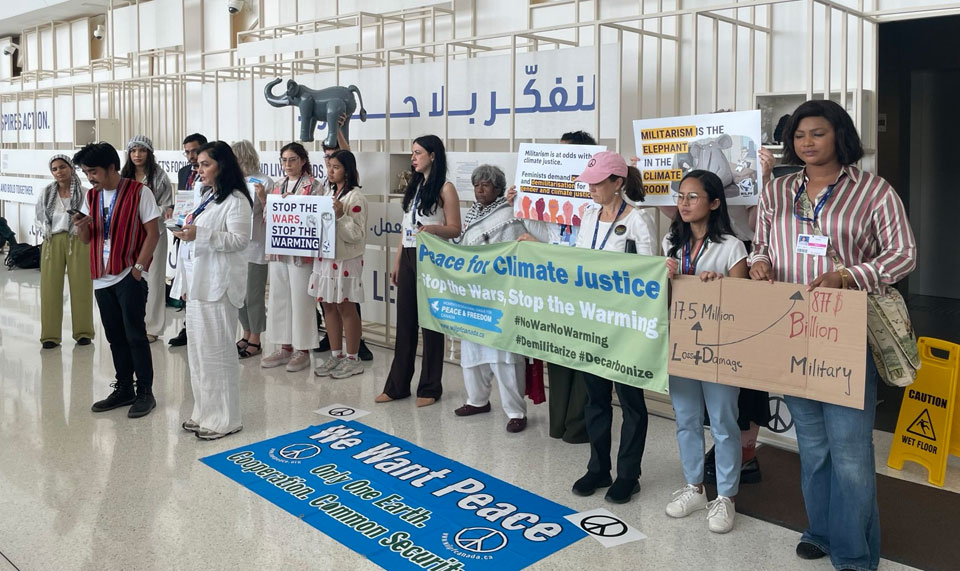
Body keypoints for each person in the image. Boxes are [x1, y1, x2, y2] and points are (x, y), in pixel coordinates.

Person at [750, 99, 916, 570]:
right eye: (800, 136)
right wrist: (760, 261)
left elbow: (903, 254)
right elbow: (760, 242)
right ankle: (820, 529)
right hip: (792, 327)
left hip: (845, 330)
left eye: (817, 133)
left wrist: (849, 275)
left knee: (848, 449)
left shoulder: (874, 192)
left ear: (839, 136)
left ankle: (854, 552)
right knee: (813, 445)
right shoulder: (778, 191)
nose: (807, 143)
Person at [520, 151, 657, 502]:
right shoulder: (589, 214)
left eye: (598, 183)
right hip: (591, 319)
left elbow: (648, 275)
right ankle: (598, 467)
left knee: (630, 401)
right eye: (589, 183)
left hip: (626, 324)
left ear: (618, 182)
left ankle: (629, 474)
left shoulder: (639, 220)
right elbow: (578, 260)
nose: (591, 189)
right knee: (595, 399)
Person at [663, 170, 748, 534]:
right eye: (681, 196)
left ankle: (726, 496)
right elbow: (657, 298)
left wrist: (723, 286)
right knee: (685, 418)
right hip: (681, 344)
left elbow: (746, 303)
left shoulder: (732, 246)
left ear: (714, 203)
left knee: (724, 423)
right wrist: (659, 277)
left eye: (693, 197)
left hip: (720, 349)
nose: (684, 203)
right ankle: (694, 486)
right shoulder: (671, 242)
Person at [72, 142, 161, 418]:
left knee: (135, 334)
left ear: (112, 167)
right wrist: (81, 228)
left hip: (127, 273)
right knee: (114, 336)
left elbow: (153, 233)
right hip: (101, 276)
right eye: (86, 172)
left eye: (94, 171)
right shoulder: (91, 197)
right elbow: (88, 239)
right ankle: (124, 388)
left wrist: (138, 269)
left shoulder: (139, 192)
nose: (90, 177)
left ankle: (145, 391)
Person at [172, 141, 252, 440]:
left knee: (218, 354)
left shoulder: (236, 200)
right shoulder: (206, 196)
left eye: (205, 164)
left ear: (222, 165)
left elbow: (239, 240)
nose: (199, 168)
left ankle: (225, 418)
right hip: (197, 285)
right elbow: (192, 241)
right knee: (198, 354)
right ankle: (203, 411)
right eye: (198, 164)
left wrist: (200, 234)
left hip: (219, 287)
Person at [377, 135, 462, 407]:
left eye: (418, 153)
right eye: (412, 153)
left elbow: (455, 228)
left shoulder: (446, 188)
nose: (413, 158)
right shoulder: (414, 187)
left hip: (433, 256)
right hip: (410, 255)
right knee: (405, 322)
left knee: (431, 324)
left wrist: (433, 229)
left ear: (433, 155)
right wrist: (398, 261)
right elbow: (406, 228)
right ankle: (397, 385)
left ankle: (430, 387)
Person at [453, 165, 529, 432]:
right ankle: (477, 400)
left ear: (498, 188)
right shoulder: (473, 214)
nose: (480, 190)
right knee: (472, 351)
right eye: (476, 185)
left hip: (497, 297)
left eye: (485, 185)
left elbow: (509, 254)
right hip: (472, 296)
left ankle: (516, 412)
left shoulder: (508, 215)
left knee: (503, 357)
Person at [259, 142, 321, 372]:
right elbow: (268, 216)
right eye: (284, 160)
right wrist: (267, 202)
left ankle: (303, 349)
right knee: (279, 296)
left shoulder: (314, 186)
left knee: (301, 299)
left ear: (303, 160)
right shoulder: (276, 186)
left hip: (301, 250)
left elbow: (317, 214)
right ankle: (283, 346)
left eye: (293, 159)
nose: (288, 165)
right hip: (279, 249)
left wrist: (294, 204)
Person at [310, 149, 368, 379]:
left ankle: (353, 358)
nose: (331, 171)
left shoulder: (355, 198)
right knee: (327, 305)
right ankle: (336, 354)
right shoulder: (327, 192)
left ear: (348, 170)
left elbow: (357, 234)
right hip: (324, 257)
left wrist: (341, 215)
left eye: (336, 167)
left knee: (346, 305)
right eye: (329, 166)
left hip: (346, 259)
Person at [35, 154, 94, 349]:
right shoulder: (46, 193)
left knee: (81, 288)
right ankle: (50, 336)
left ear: (71, 168)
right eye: (54, 169)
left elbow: (91, 218)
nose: (59, 172)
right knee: (49, 289)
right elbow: (39, 217)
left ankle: (83, 332)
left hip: (77, 240)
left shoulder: (85, 193)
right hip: (52, 241)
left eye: (62, 167)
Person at [120, 135, 174, 343]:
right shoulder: (123, 176)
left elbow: (167, 207)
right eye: (133, 151)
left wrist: (142, 211)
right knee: (130, 279)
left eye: (141, 150)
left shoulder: (160, 177)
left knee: (155, 280)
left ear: (149, 153)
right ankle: (132, 324)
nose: (137, 155)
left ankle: (153, 327)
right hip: (129, 235)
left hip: (155, 233)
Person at [231, 140, 274, 359]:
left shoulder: (265, 181)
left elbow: (274, 215)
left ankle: (256, 338)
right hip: (236, 246)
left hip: (256, 245)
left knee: (254, 295)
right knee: (239, 294)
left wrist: (264, 199)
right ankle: (246, 333)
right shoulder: (232, 181)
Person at [170, 132, 208, 347]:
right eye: (187, 152)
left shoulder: (212, 170)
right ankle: (187, 326)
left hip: (202, 230)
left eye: (195, 151)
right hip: (183, 228)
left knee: (199, 279)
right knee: (184, 280)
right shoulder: (184, 171)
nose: (191, 156)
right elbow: (182, 198)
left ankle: (202, 327)